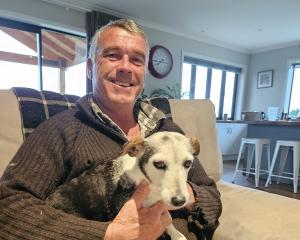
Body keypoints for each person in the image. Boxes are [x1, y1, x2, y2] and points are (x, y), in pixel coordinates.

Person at [0, 19, 221, 240]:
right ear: (90, 68)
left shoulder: (170, 131)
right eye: (113, 55)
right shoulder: (60, 131)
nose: (125, 67)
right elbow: (8, 206)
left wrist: (184, 194)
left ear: (144, 72)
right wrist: (109, 234)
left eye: (136, 60)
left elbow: (211, 194)